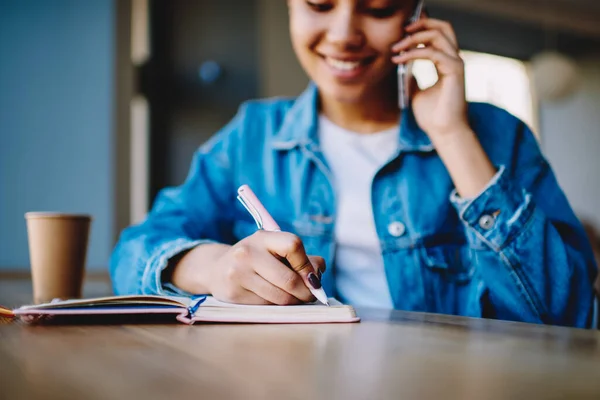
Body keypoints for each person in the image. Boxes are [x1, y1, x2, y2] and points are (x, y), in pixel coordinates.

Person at [110, 0, 597, 328]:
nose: (344, 35)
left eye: (379, 6)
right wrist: (214, 267)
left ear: (417, 14)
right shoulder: (251, 136)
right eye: (320, 3)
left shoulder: (497, 136)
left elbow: (567, 318)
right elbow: (133, 253)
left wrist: (452, 134)